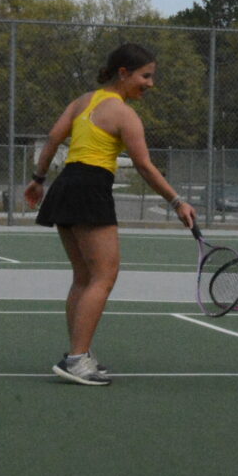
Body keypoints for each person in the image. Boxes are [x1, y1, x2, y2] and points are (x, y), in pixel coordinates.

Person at [24, 42, 196, 386]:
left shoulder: (81, 101)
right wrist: (177, 202)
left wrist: (38, 179)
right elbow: (145, 166)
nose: (150, 84)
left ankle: (79, 354)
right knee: (104, 276)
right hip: (90, 187)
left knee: (83, 277)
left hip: (65, 184)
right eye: (145, 76)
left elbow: (54, 138)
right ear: (123, 73)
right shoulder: (124, 114)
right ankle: (76, 360)